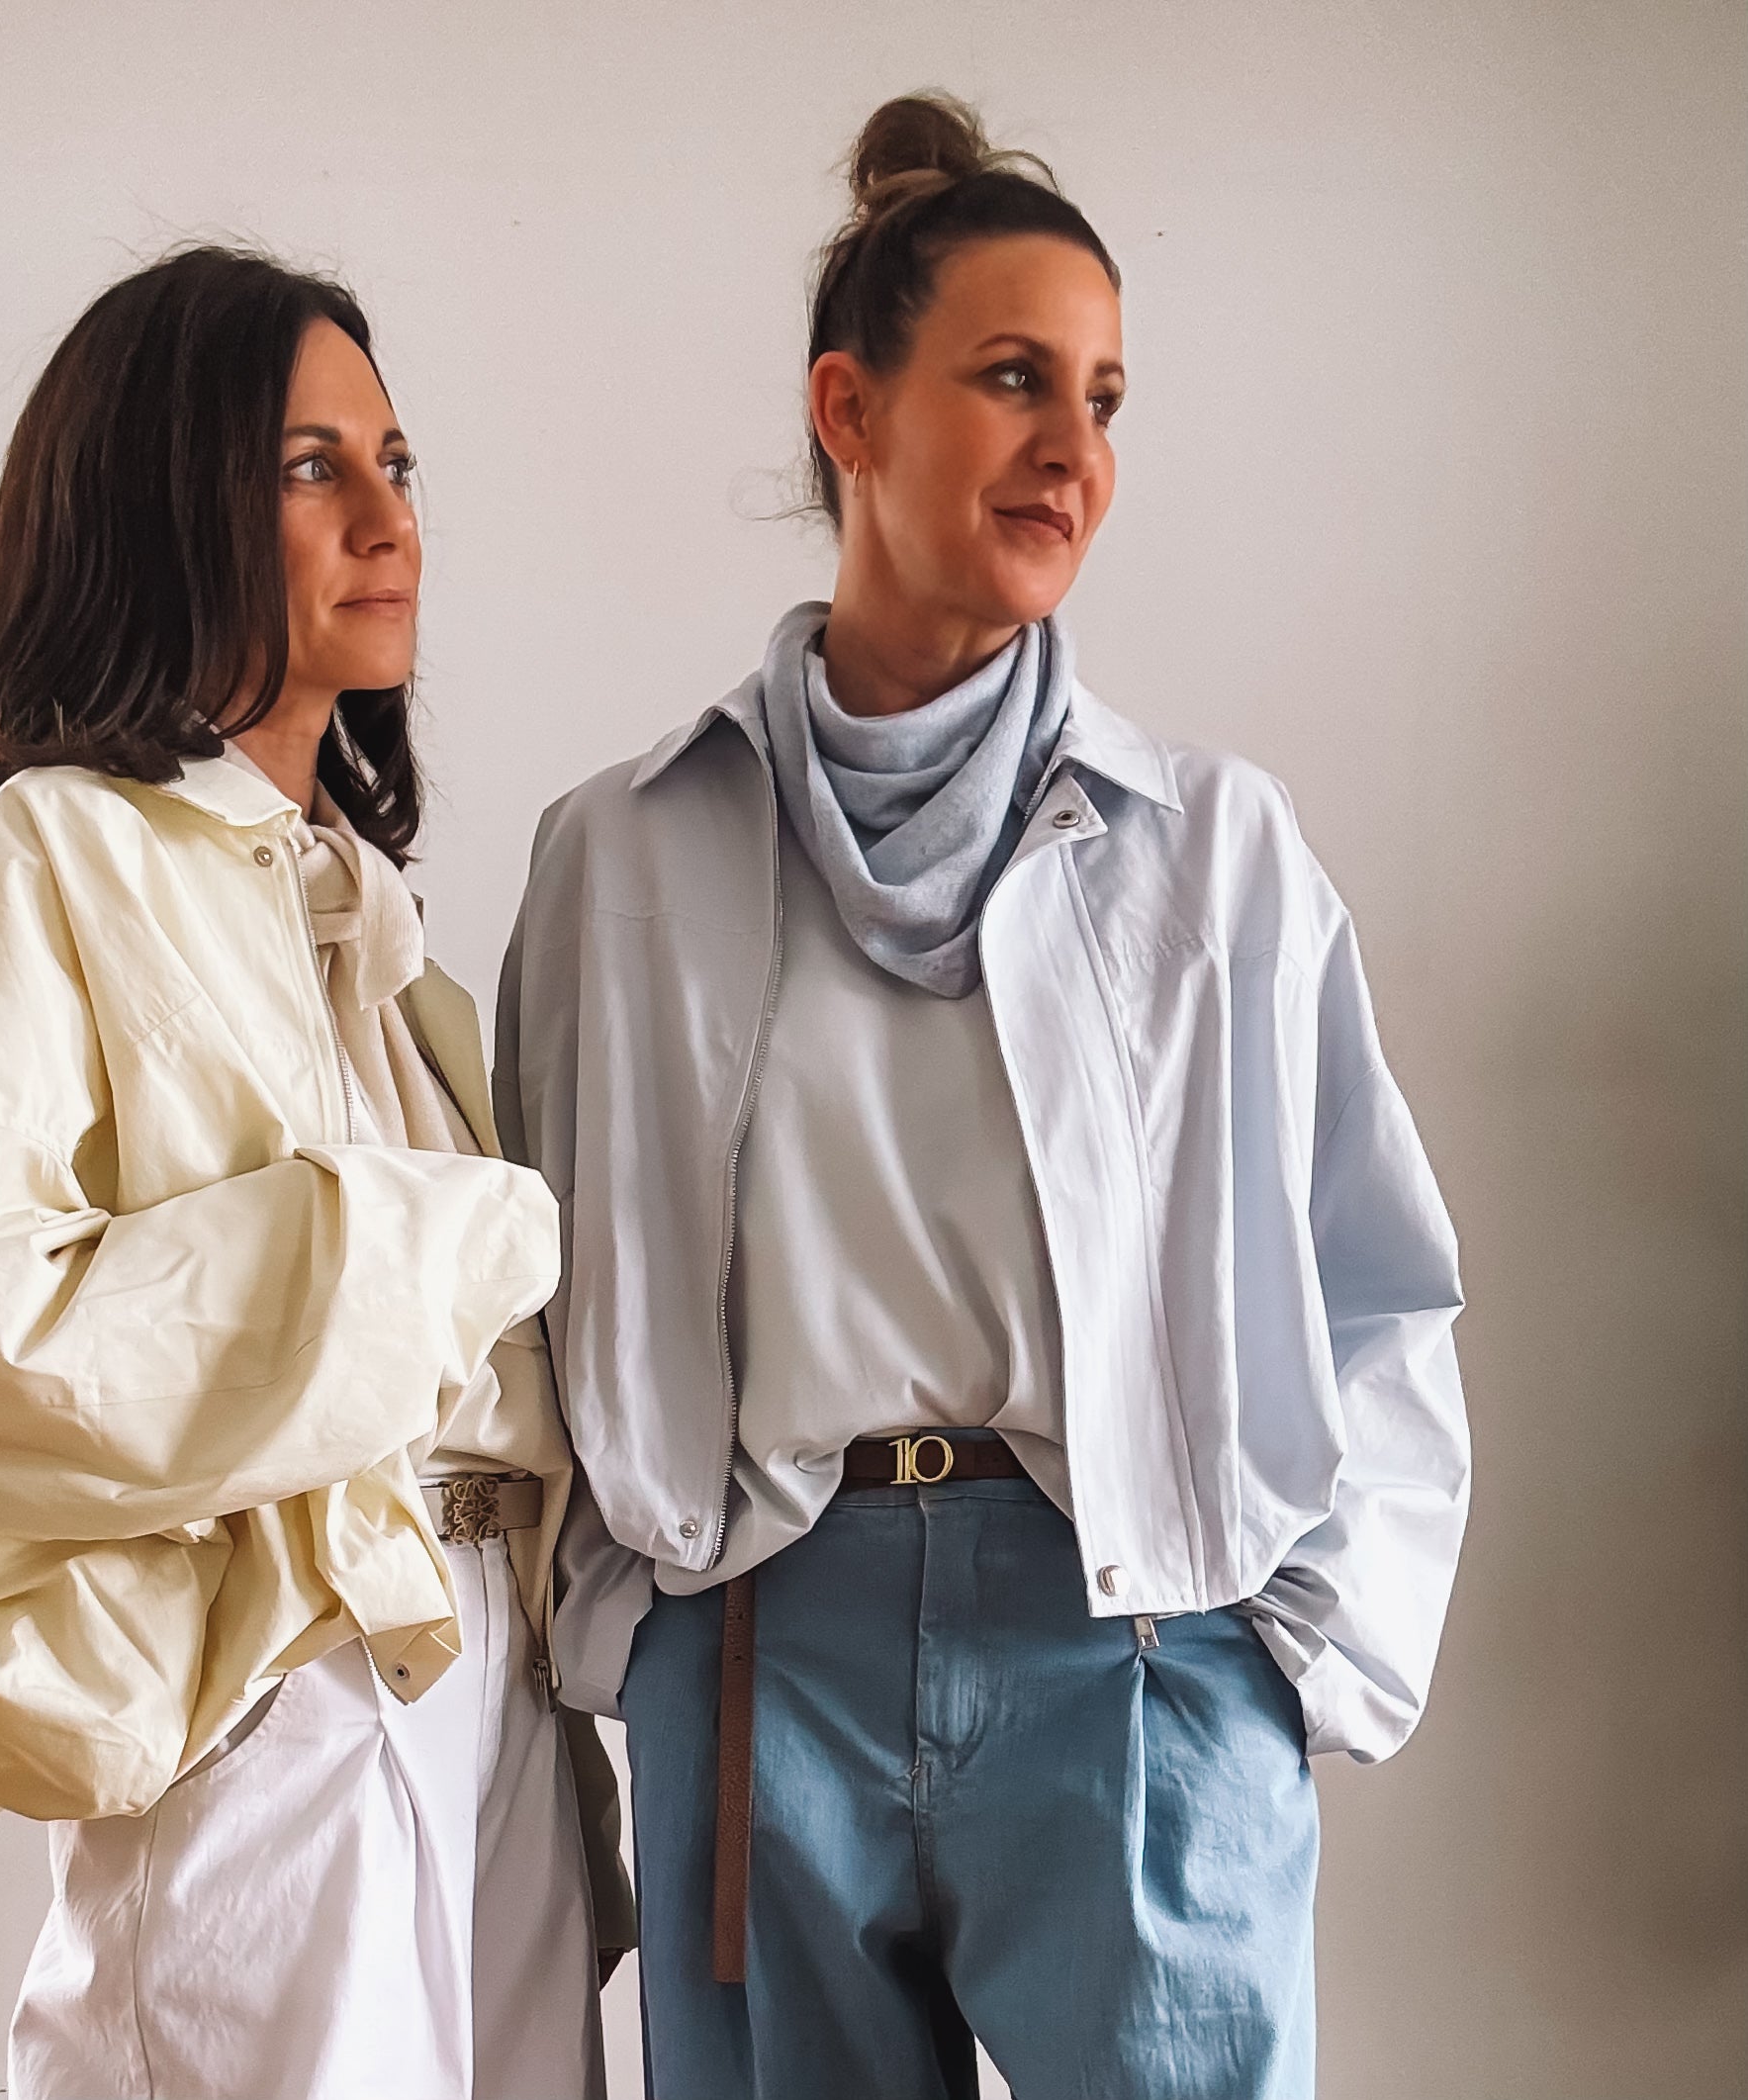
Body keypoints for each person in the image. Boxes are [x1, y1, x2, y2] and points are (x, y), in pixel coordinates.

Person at [497, 94, 1470, 2099]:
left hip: (1132, 1652)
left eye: (1103, 399)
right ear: (847, 410)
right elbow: (536, 1285)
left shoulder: (1215, 854)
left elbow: (1377, 1277)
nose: (1073, 451)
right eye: (1014, 379)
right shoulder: (627, 854)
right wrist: (633, 1630)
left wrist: (1293, 1663)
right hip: (761, 1663)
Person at [0, 244, 625, 2100]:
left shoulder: (386, 942)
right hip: (275, 1717)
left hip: (493, 1695)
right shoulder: (41, 861)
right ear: (165, 500)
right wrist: (415, 1242)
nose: (386, 519)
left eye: (396, 463)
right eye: (311, 468)